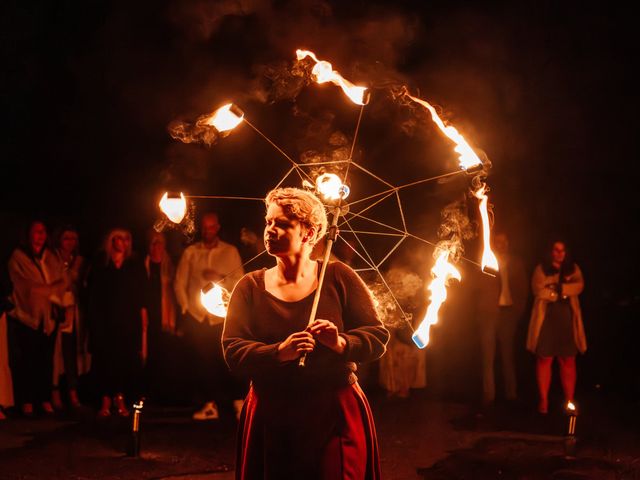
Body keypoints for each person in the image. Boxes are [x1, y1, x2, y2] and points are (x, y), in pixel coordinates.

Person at [223, 187, 389, 479]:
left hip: (334, 412)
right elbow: (233, 351)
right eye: (269, 222)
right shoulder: (249, 287)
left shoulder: (340, 278)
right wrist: (279, 352)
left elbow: (376, 338)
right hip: (272, 415)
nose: (271, 230)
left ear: (309, 234)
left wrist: (339, 342)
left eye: (282, 224)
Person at [174, 212, 244, 420]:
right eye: (204, 227)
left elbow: (240, 282)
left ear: (218, 227)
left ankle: (238, 403)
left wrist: (220, 278)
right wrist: (187, 309)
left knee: (227, 358)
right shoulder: (191, 252)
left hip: (222, 317)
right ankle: (210, 405)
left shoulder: (230, 252)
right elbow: (180, 283)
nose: (208, 231)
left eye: (212, 227)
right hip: (199, 317)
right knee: (204, 362)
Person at [87, 228, 148, 417]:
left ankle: (120, 398)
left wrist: (143, 322)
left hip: (128, 320)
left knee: (124, 358)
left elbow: (141, 296)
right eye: (118, 238)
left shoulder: (134, 264)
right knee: (105, 358)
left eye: (126, 238)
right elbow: (93, 295)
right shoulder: (101, 263)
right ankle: (105, 399)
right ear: (111, 241)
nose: (122, 242)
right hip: (104, 320)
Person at [7, 220, 65, 416]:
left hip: (49, 316)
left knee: (46, 360)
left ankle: (44, 398)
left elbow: (62, 281)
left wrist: (49, 291)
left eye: (43, 231)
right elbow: (24, 286)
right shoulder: (18, 258)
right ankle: (27, 399)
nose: (40, 235)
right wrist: (46, 289)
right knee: (28, 360)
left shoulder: (51, 257)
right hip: (28, 316)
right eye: (36, 231)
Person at [526, 239, 586, 414]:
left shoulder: (573, 269)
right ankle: (543, 400)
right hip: (546, 319)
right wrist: (555, 292)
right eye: (556, 250)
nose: (559, 254)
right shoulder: (541, 269)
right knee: (545, 359)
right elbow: (538, 289)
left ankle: (569, 399)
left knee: (568, 360)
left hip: (567, 321)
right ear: (550, 252)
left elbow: (579, 286)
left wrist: (562, 288)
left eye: (562, 250)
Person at [475, 232, 528, 406]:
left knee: (508, 355)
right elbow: (476, 288)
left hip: (508, 314)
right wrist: (482, 310)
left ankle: (511, 395)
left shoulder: (516, 263)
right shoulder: (486, 262)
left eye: (504, 241)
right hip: (489, 314)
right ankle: (488, 395)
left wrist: (516, 312)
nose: (501, 245)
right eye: (497, 242)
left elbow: (522, 290)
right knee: (488, 356)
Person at [51, 226, 90, 410]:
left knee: (72, 353)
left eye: (73, 239)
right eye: (66, 238)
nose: (70, 242)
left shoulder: (80, 261)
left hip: (75, 312)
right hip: (57, 311)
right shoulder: (52, 258)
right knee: (57, 354)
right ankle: (55, 391)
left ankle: (73, 392)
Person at [143, 229, 178, 403]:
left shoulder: (170, 266)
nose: (157, 246)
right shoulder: (143, 265)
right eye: (153, 242)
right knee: (148, 355)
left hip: (165, 318)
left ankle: (165, 395)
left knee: (165, 354)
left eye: (160, 242)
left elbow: (175, 293)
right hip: (147, 318)